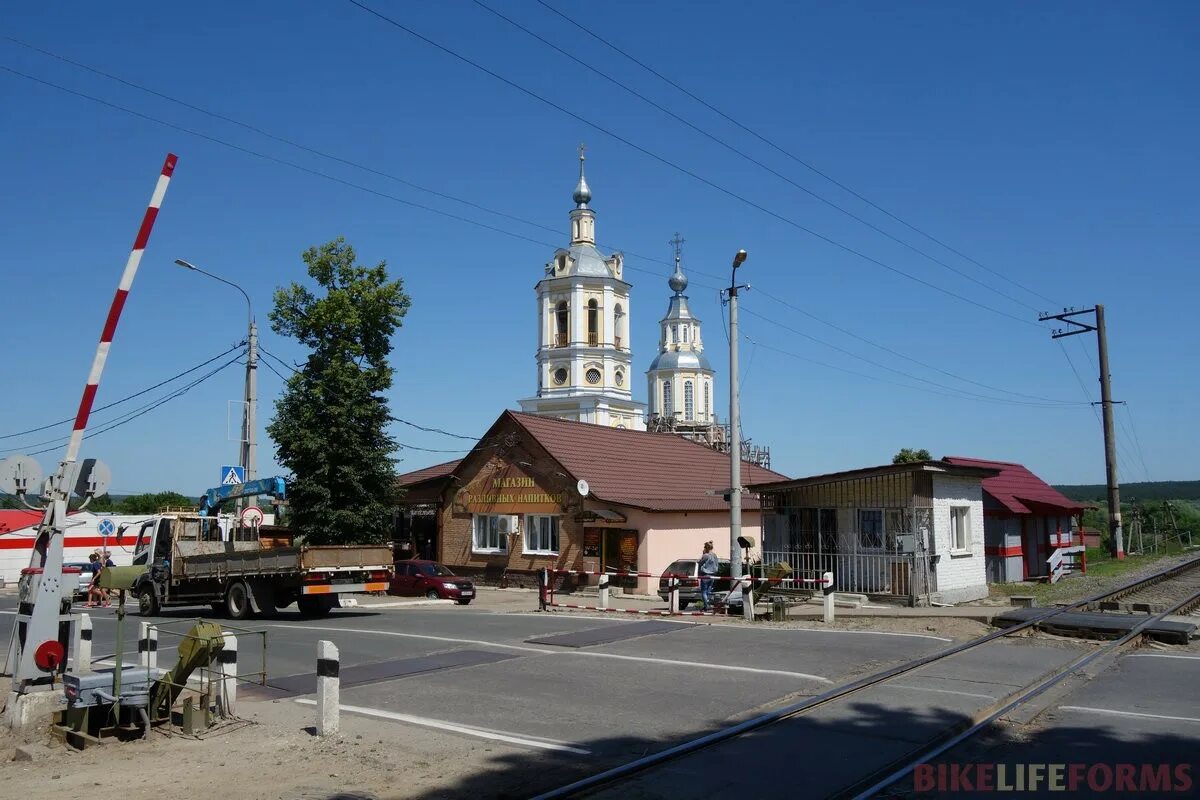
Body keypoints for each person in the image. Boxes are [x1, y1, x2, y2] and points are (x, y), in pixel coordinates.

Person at [698, 541, 719, 612]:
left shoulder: (705, 555)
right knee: (708, 591)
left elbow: (700, 562)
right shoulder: (714, 555)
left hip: (705, 575)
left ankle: (706, 606)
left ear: (706, 548)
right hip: (713, 575)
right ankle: (706, 605)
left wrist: (703, 554)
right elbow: (716, 565)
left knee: (703, 591)